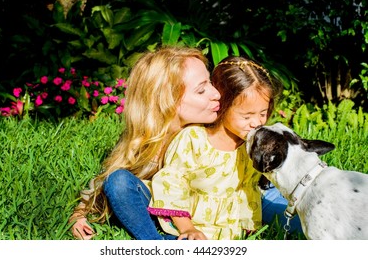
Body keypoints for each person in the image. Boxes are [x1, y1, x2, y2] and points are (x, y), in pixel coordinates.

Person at [69, 46, 221, 240]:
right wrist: (78, 215)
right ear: (167, 101)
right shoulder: (147, 143)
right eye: (201, 90)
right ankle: (154, 244)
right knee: (118, 181)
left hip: (206, 213)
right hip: (165, 211)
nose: (216, 93)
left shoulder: (214, 133)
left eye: (210, 82)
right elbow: (104, 182)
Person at [147, 56, 301, 240]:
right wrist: (187, 228)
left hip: (237, 228)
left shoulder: (252, 145)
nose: (257, 123)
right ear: (222, 105)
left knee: (306, 221)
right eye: (247, 116)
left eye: (263, 113)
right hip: (198, 226)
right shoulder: (194, 139)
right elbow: (173, 183)